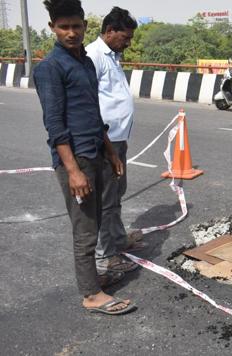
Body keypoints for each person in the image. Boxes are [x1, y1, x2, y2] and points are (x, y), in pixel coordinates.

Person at [34, 0, 135, 315]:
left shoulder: (86, 62)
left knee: (100, 216)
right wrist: (73, 171)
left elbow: (93, 112)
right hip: (75, 159)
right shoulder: (50, 68)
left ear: (85, 27)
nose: (71, 32)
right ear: (52, 28)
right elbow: (55, 126)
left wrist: (110, 153)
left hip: (96, 152)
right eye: (64, 27)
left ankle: (96, 278)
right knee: (85, 229)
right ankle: (91, 294)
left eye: (76, 26)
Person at [86, 6, 140, 279]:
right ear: (109, 31)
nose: (128, 43)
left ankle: (118, 240)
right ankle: (106, 257)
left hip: (119, 139)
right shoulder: (93, 56)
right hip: (106, 141)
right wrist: (109, 147)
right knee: (107, 200)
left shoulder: (112, 56)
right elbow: (90, 105)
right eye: (125, 37)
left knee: (117, 192)